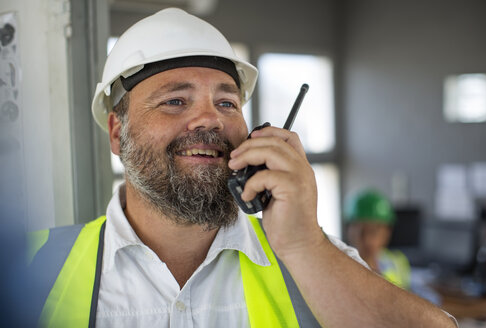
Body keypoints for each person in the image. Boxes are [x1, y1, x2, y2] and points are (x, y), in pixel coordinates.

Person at [27, 7, 457, 327]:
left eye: (227, 102)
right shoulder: (30, 269)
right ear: (118, 133)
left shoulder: (309, 258)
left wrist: (304, 245)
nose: (210, 119)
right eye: (175, 100)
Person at [345, 189, 411, 290]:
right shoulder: (339, 266)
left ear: (387, 233)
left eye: (373, 232)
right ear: (349, 231)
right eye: (361, 232)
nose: (367, 240)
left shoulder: (398, 263)